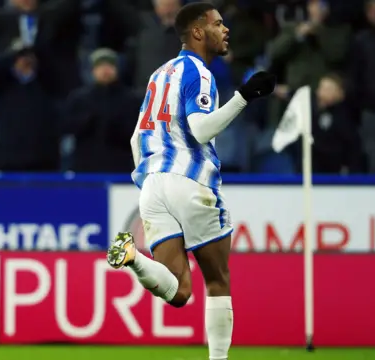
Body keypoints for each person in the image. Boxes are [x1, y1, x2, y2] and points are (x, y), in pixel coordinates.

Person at [105, 3, 275, 359]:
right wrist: (245, 96)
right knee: (217, 281)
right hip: (191, 181)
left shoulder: (158, 75)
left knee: (179, 292)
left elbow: (137, 138)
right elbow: (199, 130)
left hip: (152, 185)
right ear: (198, 32)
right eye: (217, 24)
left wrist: (152, 179)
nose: (225, 29)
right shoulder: (199, 72)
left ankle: (134, 257)